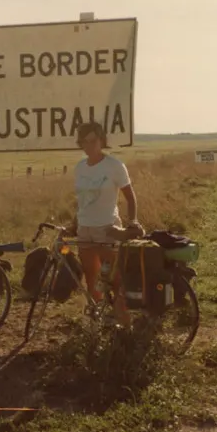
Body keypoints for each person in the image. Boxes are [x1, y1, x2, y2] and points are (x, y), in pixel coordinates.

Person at [72, 119, 143, 328]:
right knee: (91, 280)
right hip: (85, 230)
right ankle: (99, 325)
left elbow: (130, 198)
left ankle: (125, 329)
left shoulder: (114, 166)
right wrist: (74, 224)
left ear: (101, 140)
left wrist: (133, 222)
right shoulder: (79, 168)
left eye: (93, 141)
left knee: (116, 281)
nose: (89, 146)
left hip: (107, 230)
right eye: (84, 142)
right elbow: (82, 201)